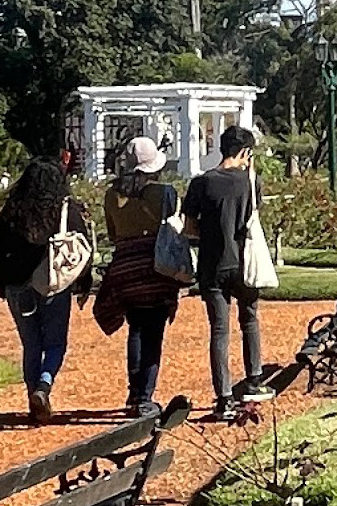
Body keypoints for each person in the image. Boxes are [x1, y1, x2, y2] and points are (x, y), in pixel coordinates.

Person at [0, 158, 93, 423]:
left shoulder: (14, 208)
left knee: (31, 344)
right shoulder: (65, 209)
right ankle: (44, 386)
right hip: (53, 283)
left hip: (17, 284)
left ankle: (33, 396)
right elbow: (82, 248)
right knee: (55, 343)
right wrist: (83, 283)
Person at [184, 123, 270, 421]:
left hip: (212, 264)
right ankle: (254, 379)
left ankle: (223, 397)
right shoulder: (249, 182)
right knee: (249, 319)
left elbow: (189, 227)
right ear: (245, 151)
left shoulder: (201, 183)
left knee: (219, 331)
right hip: (244, 262)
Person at [94, 135, 184, 418]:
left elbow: (112, 234)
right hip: (153, 268)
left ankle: (134, 393)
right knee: (153, 332)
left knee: (135, 328)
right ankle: (145, 396)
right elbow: (172, 225)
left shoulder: (112, 195)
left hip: (123, 268)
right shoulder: (165, 193)